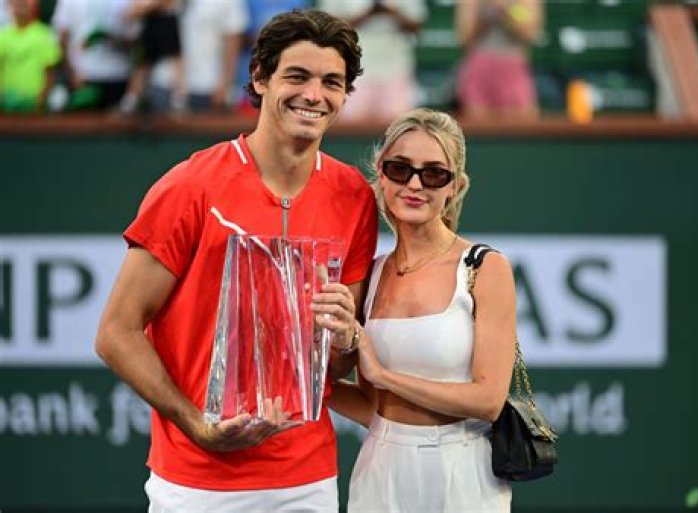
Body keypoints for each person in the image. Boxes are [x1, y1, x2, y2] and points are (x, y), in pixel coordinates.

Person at [94, 9, 378, 512]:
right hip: (196, 484)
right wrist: (198, 426)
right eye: (297, 76)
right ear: (260, 78)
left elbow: (333, 362)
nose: (314, 95)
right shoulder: (190, 186)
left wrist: (346, 338)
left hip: (308, 481)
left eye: (331, 82)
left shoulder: (354, 195)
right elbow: (116, 332)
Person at [329, 108, 516, 512]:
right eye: (400, 169)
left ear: (455, 186)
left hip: (463, 470)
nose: (414, 184)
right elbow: (371, 407)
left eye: (433, 174)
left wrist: (384, 376)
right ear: (381, 174)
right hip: (380, 467)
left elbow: (488, 400)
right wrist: (300, 377)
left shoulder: (485, 267)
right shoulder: (371, 274)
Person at [318, 0, 426, 125]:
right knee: (350, 120)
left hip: (395, 65)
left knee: (399, 123)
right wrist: (368, 13)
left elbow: (417, 25)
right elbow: (329, 27)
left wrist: (391, 11)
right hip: (352, 65)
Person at [455, 0, 544, 121]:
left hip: (513, 68)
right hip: (479, 68)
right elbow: (464, 37)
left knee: (522, 124)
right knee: (477, 126)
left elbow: (528, 31)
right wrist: (485, 14)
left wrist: (506, 8)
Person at [0, 0, 61, 113]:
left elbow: (50, 71)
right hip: (8, 102)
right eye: (16, 6)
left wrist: (41, 97)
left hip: (34, 102)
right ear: (10, 8)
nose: (20, 10)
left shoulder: (43, 34)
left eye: (23, 6)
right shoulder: (3, 36)